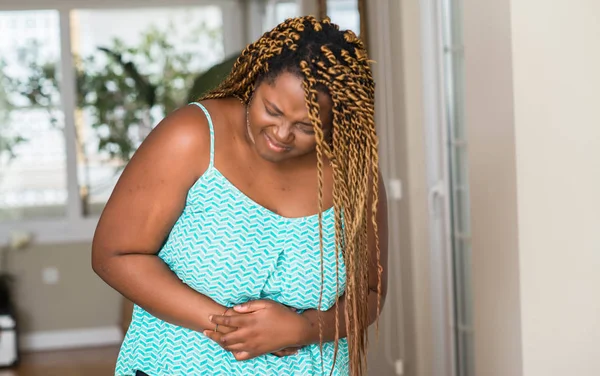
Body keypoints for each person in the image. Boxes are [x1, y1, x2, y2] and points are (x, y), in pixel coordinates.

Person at [92, 15, 388, 376]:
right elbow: (115, 254)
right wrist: (229, 326)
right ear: (256, 80)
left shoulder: (353, 174)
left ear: (333, 123)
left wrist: (302, 329)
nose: (281, 133)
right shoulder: (194, 136)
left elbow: (370, 292)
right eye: (272, 110)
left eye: (306, 126)